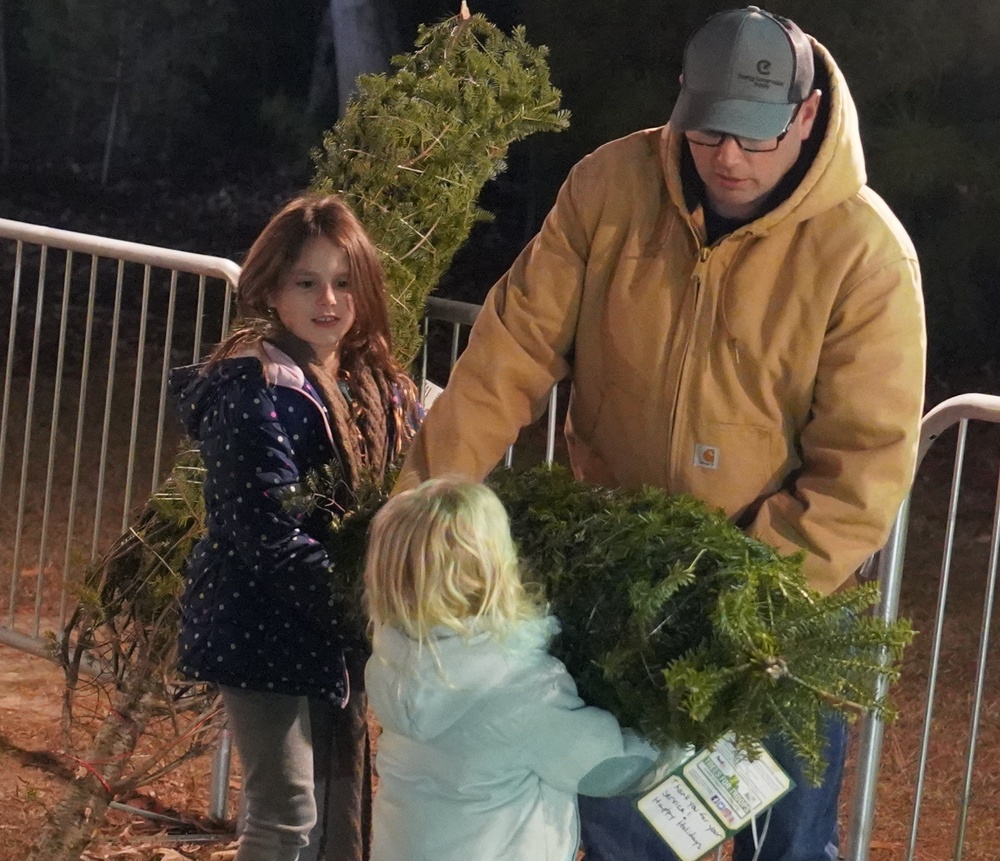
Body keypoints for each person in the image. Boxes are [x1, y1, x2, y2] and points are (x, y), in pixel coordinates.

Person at [393, 6, 926, 861]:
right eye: (709, 130)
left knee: (784, 847)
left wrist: (737, 603)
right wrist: (420, 511)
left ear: (808, 116)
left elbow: (861, 467)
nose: (727, 157)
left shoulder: (865, 253)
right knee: (621, 838)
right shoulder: (610, 185)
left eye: (755, 138)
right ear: (682, 98)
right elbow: (509, 353)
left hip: (779, 624)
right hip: (619, 596)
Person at [170, 193, 422, 861]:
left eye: (344, 282)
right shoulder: (252, 392)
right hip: (260, 628)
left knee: (338, 812)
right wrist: (369, 604)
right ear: (271, 288)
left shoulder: (382, 390)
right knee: (286, 813)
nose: (328, 299)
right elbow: (265, 533)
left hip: (335, 634)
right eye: (306, 282)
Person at [363, 477, 676, 861]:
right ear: (493, 564)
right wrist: (675, 741)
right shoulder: (521, 687)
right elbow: (607, 768)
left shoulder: (390, 661)